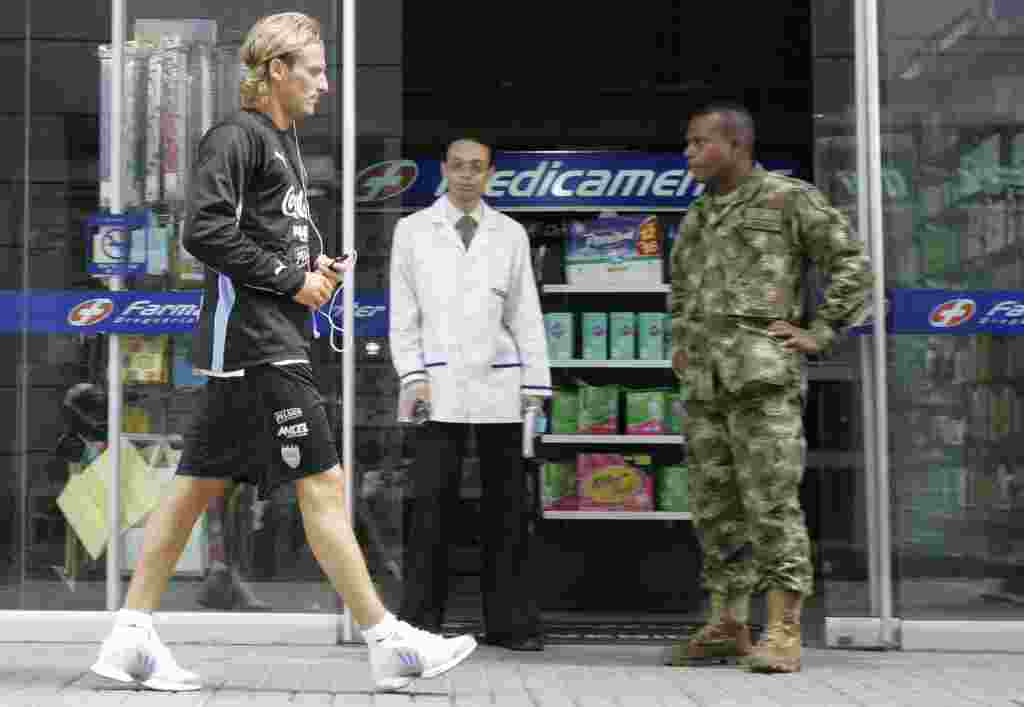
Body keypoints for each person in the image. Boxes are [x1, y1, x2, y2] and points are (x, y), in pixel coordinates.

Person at [89, 12, 476, 693]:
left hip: (261, 344)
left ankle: (130, 635)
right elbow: (203, 231)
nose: (324, 85)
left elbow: (262, 243)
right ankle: (387, 640)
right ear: (276, 71)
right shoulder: (237, 137)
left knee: (193, 487)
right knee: (322, 483)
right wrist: (292, 279)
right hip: (257, 347)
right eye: (315, 71)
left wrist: (313, 270)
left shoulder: (280, 145)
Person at [665, 104, 871, 673]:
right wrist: (681, 342)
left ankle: (782, 630)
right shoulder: (699, 215)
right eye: (688, 142)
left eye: (699, 142)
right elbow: (683, 288)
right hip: (706, 389)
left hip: (762, 384)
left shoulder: (786, 198)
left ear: (735, 146)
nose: (689, 152)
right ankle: (729, 623)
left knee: (771, 507)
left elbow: (852, 263)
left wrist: (820, 330)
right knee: (715, 510)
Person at [389, 137, 551, 651]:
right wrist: (412, 375)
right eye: (457, 166)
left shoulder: (510, 234)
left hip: (501, 382)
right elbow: (403, 316)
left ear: (489, 174)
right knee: (432, 506)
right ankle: (420, 623)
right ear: (444, 170)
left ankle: (512, 624)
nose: (465, 175)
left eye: (476, 168)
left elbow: (526, 313)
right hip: (436, 385)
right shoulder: (412, 231)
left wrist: (535, 384)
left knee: (507, 509)